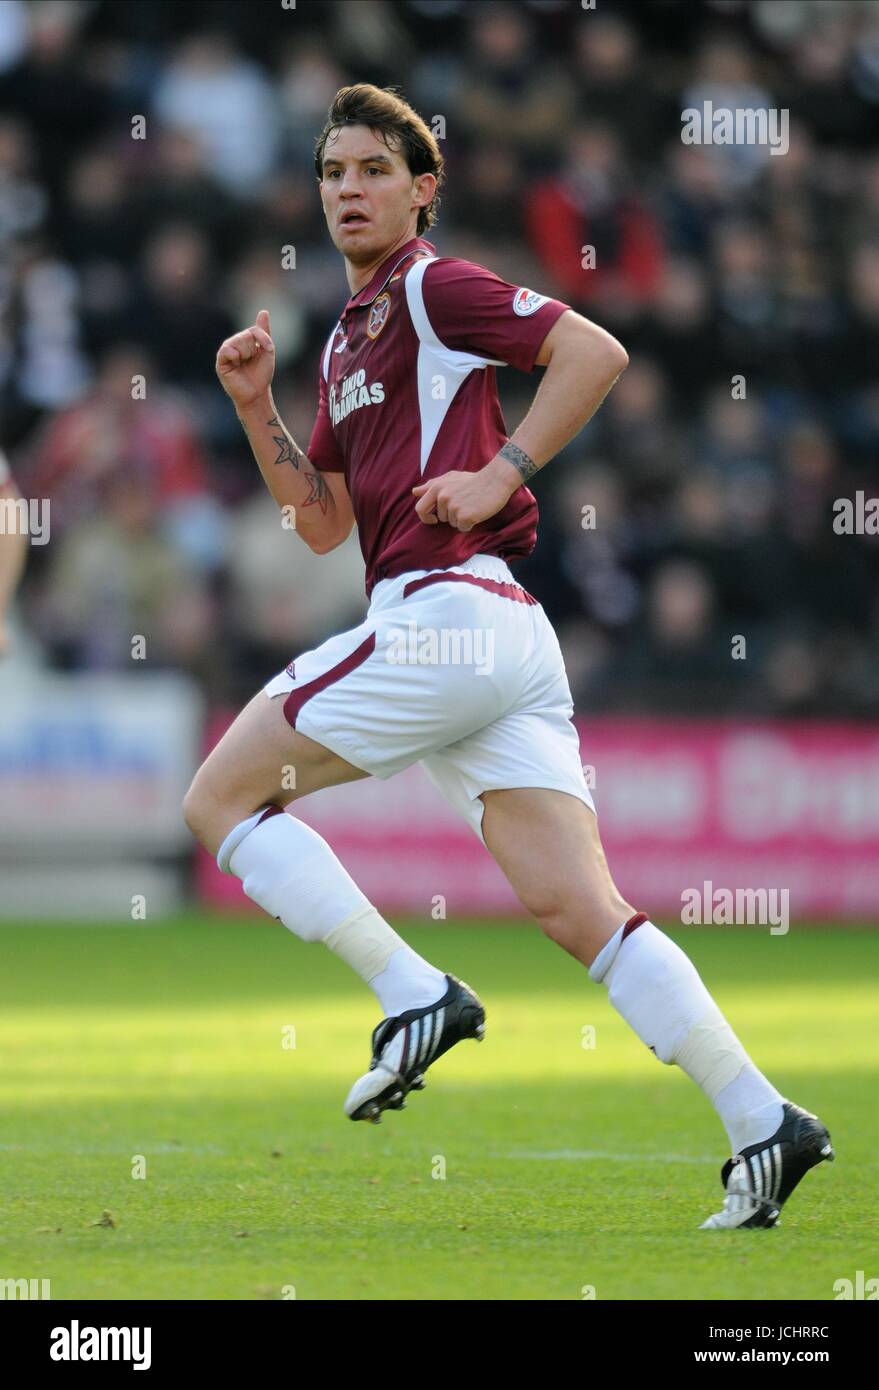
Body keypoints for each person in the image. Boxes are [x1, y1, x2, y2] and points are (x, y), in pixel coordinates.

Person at [183, 84, 833, 1229]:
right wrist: (252, 406)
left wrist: (502, 473)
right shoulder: (346, 336)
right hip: (493, 634)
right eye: (333, 173)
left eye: (373, 171)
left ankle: (410, 990)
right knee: (584, 911)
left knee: (219, 796)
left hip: (445, 615)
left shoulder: (432, 286)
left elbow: (593, 349)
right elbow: (324, 521)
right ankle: (762, 1119)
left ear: (422, 190)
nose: (348, 190)